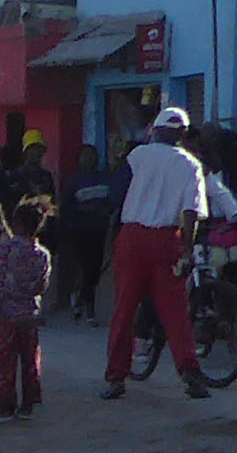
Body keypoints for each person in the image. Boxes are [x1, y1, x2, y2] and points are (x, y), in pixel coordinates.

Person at [100, 108, 217, 401]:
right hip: (168, 241)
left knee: (124, 309)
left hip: (132, 238)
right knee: (175, 311)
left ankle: (116, 378)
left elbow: (115, 195)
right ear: (182, 134)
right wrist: (187, 251)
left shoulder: (137, 156)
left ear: (155, 131)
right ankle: (190, 374)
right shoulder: (191, 165)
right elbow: (191, 212)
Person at [0, 197, 56, 421]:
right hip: (28, 315)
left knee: (5, 360)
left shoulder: (3, 248)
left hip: (3, 313)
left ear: (15, 223)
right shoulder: (43, 255)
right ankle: (29, 404)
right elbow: (42, 285)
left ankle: (4, 406)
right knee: (29, 359)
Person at [53, 142, 122, 320]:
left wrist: (106, 211)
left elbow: (114, 200)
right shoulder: (74, 182)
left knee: (96, 267)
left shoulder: (106, 179)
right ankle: (87, 306)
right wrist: (85, 210)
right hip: (80, 230)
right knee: (84, 267)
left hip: (100, 229)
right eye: (86, 155)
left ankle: (81, 299)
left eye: (93, 155)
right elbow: (66, 208)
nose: (90, 159)